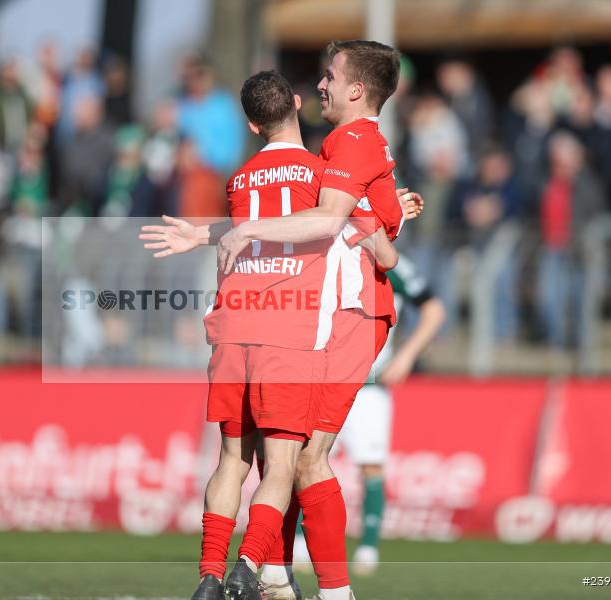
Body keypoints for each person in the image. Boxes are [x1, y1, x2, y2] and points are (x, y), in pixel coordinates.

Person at [143, 40, 414, 600]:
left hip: (344, 312)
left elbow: (338, 224)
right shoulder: (331, 153)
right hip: (313, 315)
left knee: (295, 458)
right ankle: (275, 575)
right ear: (291, 104)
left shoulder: (345, 145)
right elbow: (349, 223)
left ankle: (307, 585)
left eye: (330, 76)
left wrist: (240, 230)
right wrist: (385, 220)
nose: (321, 84)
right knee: (287, 456)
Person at [292, 254, 445, 575]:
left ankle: (368, 548)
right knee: (304, 460)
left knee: (371, 466)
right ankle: (300, 543)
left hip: (369, 386)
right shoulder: (325, 255)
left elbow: (433, 309)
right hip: (323, 381)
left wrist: (406, 357)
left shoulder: (391, 264)